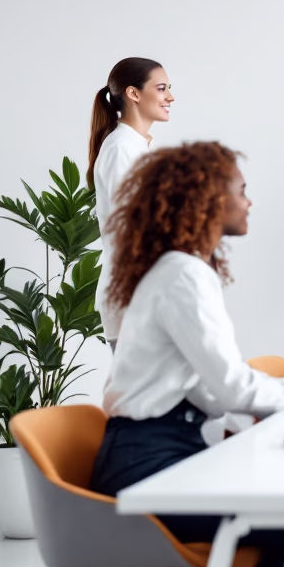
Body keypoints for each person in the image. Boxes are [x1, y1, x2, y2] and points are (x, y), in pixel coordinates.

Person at [92, 142, 284, 567]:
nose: (249, 200)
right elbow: (233, 388)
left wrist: (270, 401)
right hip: (149, 470)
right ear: (207, 199)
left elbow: (211, 391)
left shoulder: (179, 269)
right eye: (241, 189)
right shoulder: (182, 274)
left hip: (162, 457)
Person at [87, 57, 174, 350]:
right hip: (135, 299)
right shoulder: (122, 149)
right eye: (161, 89)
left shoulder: (135, 148)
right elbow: (131, 230)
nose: (170, 97)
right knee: (145, 397)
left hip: (145, 297)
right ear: (133, 94)